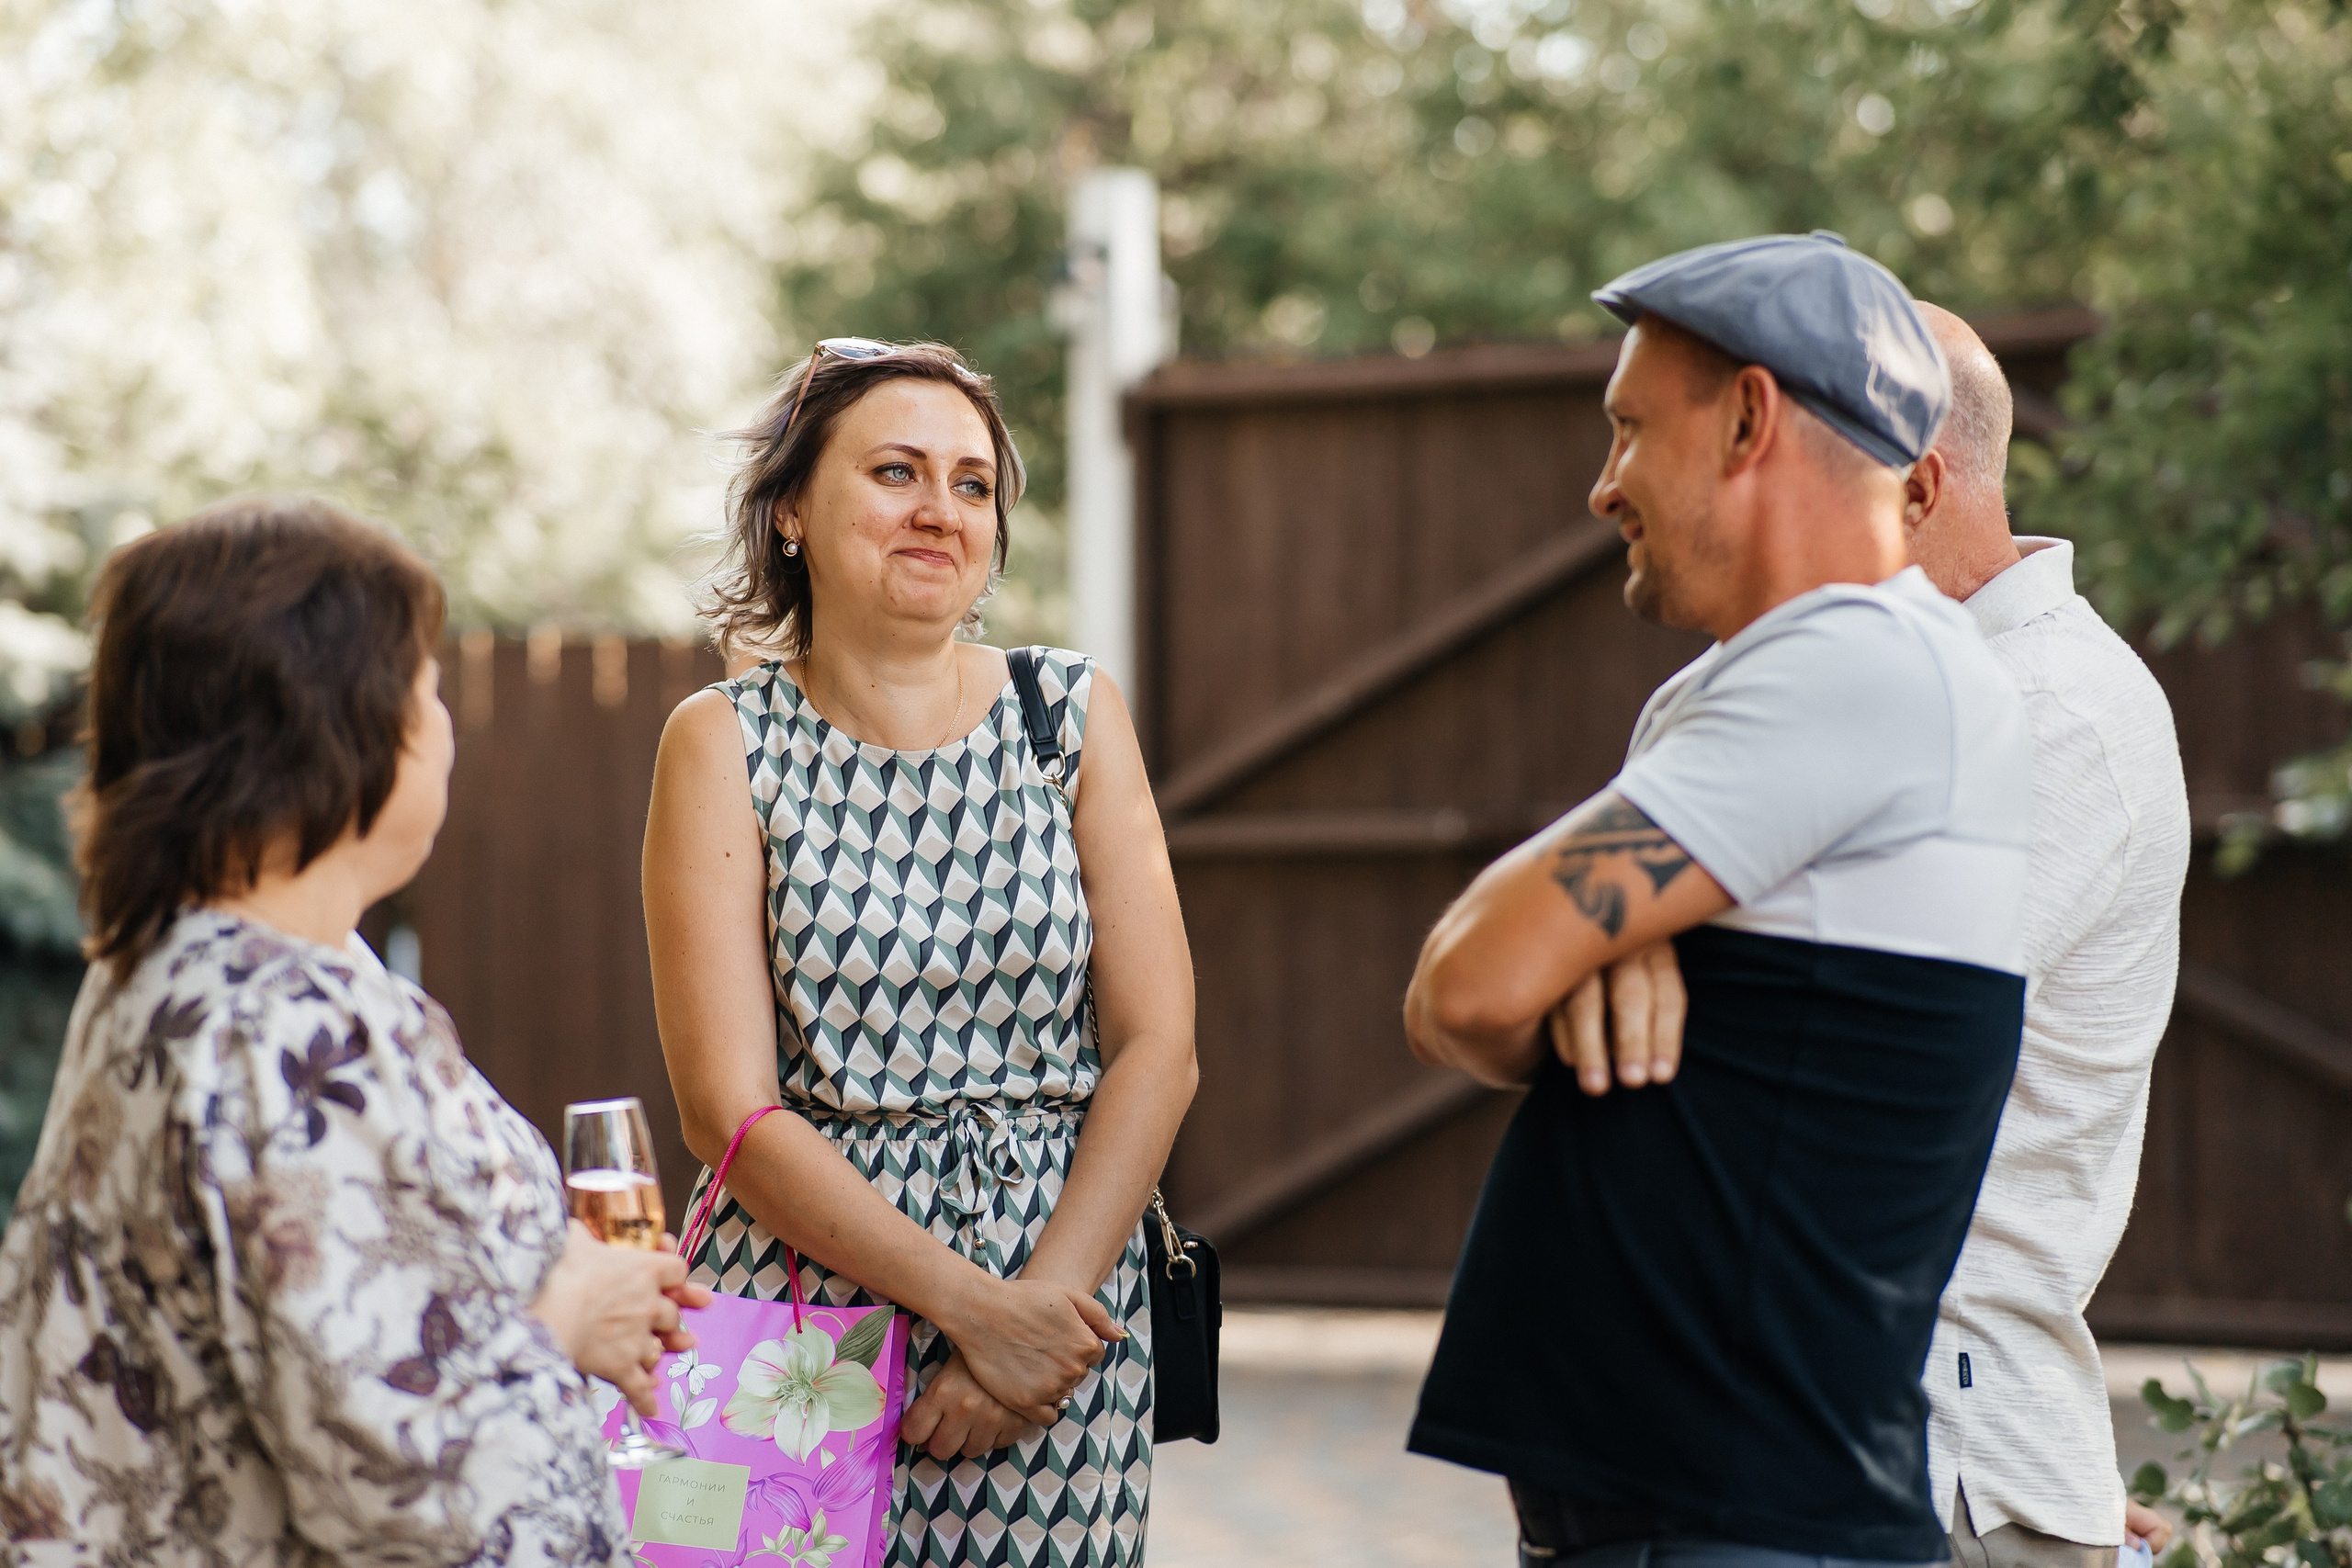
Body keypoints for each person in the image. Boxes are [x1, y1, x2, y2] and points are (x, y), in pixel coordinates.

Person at [1399, 234, 2036, 1568]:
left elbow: (1467, 982)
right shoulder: (1790, 675)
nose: (1602, 486)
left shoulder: (1858, 659)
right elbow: (1501, 974)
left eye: (1631, 431)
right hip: (1687, 1508)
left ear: (1750, 417)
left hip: (1738, 1516)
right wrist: (1602, 945)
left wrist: (1576, 948)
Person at [1556, 305, 2190, 1567]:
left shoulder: (2060, 713)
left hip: (1917, 1450)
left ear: (1915, 483)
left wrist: (1619, 938)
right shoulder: (1730, 682)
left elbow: (1803, 1052)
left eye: (1789, 459)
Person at [0, 499, 706, 1563]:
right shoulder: (282, 1029)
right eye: (425, 688)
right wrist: (562, 1316)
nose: (445, 723)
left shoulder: (195, 969)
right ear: (339, 728)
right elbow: (412, 1487)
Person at [643, 339, 1197, 1567]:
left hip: (1067, 1314)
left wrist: (1036, 1323)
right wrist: (971, 1309)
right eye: (896, 471)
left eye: (971, 482)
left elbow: (1160, 1048)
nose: (939, 509)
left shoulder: (1073, 714)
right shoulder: (722, 741)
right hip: (800, 1326)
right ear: (791, 510)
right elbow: (724, 1106)